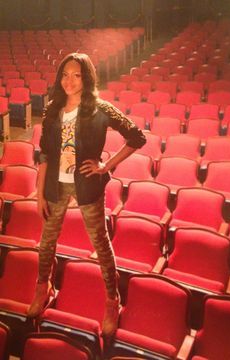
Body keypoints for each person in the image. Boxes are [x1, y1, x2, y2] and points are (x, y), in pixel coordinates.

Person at [27, 52, 146, 339]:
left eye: (76, 74)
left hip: (88, 185)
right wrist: (40, 192)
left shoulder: (101, 109)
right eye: (65, 74)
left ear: (87, 77)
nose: (69, 80)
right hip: (56, 185)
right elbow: (44, 154)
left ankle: (111, 298)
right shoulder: (52, 109)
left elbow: (137, 137)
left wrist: (107, 164)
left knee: (101, 245)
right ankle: (43, 286)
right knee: (46, 243)